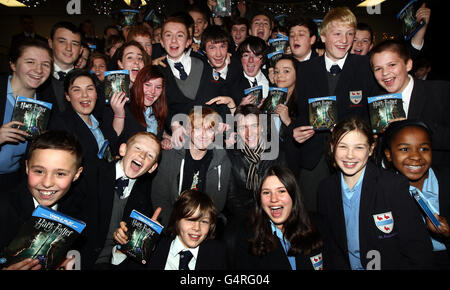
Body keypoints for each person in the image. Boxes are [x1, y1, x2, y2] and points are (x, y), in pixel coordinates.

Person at [291, 7, 382, 213]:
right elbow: (302, 114)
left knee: (353, 214)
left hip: (353, 159)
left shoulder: (366, 66)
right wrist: (296, 130)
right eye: (337, 33)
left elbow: (374, 114)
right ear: (323, 36)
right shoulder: (306, 70)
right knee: (313, 217)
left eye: (350, 34)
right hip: (315, 158)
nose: (345, 40)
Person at [317, 116, 433, 269]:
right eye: (342, 146)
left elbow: (418, 250)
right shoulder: (326, 189)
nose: (350, 155)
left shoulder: (392, 186)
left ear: (371, 149)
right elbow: (330, 248)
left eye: (359, 147)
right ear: (332, 147)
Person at [76, 131, 161, 269]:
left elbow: (132, 256)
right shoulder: (91, 173)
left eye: (150, 155)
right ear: (123, 150)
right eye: (138, 148)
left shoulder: (144, 201)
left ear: (152, 168)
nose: (142, 155)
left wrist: (134, 240)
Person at [0, 130, 84, 270]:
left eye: (60, 174)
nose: (47, 183)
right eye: (39, 171)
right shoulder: (4, 207)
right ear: (27, 167)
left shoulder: (77, 208)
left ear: (76, 174)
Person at [370, 39, 450, 166]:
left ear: (408, 65)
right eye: (378, 68)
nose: (385, 73)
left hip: (436, 178)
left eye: (392, 65)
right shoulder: (377, 102)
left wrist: (410, 125)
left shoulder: (441, 91)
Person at [382, 119, 450, 269]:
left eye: (424, 149)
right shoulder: (383, 190)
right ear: (388, 155)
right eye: (405, 149)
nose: (416, 157)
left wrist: (447, 233)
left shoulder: (446, 180)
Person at [151, 106, 231, 228]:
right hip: (171, 224)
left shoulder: (222, 161)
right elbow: (160, 198)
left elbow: (217, 204)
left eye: (209, 129)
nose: (203, 135)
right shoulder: (170, 156)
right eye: (198, 128)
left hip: (204, 226)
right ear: (188, 130)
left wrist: (200, 228)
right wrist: (174, 228)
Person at [158, 16, 230, 147]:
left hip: (212, 136)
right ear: (162, 42)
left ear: (188, 42)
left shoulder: (202, 62)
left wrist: (224, 122)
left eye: (180, 35)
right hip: (182, 140)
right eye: (168, 35)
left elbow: (221, 92)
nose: (174, 40)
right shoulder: (158, 72)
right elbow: (160, 106)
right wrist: (173, 124)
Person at [235, 165, 323, 270]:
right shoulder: (247, 236)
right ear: (259, 199)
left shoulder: (318, 224)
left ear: (293, 195)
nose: (274, 199)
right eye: (266, 192)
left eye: (281, 191)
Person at [114, 189, 227, 269]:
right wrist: (122, 247)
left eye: (204, 222)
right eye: (190, 220)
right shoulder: (153, 247)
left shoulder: (217, 253)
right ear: (177, 220)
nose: (197, 228)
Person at [0, 39, 53, 192]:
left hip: (16, 183)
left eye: (45, 64)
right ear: (13, 64)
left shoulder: (46, 106)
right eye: (30, 62)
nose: (38, 70)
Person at [48, 69, 117, 165]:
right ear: (67, 96)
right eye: (77, 90)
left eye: (89, 89)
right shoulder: (60, 127)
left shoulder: (100, 121)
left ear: (96, 93)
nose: (85, 95)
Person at [107, 65, 169, 149]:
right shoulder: (123, 106)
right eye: (147, 85)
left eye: (158, 87)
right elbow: (114, 145)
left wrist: (164, 140)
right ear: (139, 84)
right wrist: (119, 115)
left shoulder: (158, 111)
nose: (152, 91)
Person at [38, 21, 82, 115]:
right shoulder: (36, 76)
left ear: (80, 50)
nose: (68, 48)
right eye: (62, 41)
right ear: (50, 43)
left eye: (74, 43)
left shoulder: (88, 81)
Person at [229, 36, 269, 106]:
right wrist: (240, 109)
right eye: (246, 55)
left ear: (263, 60)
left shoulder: (272, 79)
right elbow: (227, 116)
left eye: (256, 55)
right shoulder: (232, 83)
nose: (251, 60)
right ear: (240, 58)